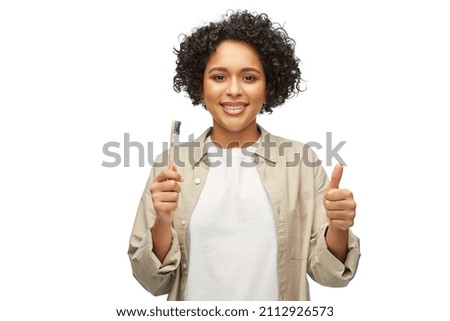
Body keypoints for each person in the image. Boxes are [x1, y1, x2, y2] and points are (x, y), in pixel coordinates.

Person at [128, 10, 360, 301]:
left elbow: (330, 276)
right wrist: (162, 221)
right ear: (200, 87)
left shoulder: (301, 162)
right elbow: (152, 282)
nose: (234, 90)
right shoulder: (171, 165)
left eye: (249, 77)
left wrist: (338, 228)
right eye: (219, 76)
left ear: (268, 86)